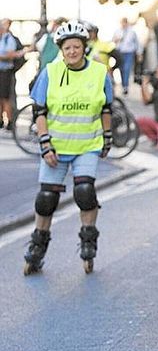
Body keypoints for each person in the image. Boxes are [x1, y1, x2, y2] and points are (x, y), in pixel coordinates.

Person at [23, 21, 113, 275]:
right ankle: (38, 246)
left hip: (87, 145)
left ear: (84, 47)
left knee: (85, 192)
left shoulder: (98, 72)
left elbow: (106, 109)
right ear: (61, 50)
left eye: (76, 47)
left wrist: (107, 137)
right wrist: (44, 144)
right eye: (67, 48)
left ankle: (88, 241)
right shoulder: (50, 72)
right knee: (46, 199)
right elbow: (39, 111)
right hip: (56, 148)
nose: (72, 51)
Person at [0, 18, 26, 129]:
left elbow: (10, 55)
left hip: (6, 72)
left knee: (6, 98)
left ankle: (10, 121)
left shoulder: (9, 39)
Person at [112, 17, 140, 94]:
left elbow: (136, 42)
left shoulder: (132, 32)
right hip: (120, 52)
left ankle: (125, 86)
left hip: (129, 52)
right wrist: (117, 39)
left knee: (127, 68)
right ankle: (123, 84)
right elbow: (113, 40)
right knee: (121, 69)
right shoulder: (118, 31)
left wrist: (138, 52)